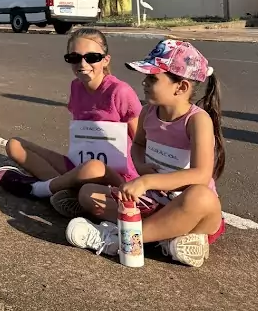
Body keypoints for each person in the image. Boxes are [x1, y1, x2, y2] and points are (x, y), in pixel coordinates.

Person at [66, 39, 226, 267]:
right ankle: (167, 240)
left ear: (181, 87)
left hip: (189, 208)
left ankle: (118, 239)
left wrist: (147, 180)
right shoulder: (149, 112)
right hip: (153, 201)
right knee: (88, 194)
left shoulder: (197, 120)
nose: (144, 83)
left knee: (201, 197)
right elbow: (138, 145)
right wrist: (141, 167)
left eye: (152, 78)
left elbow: (201, 175)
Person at [0, 28, 142, 219]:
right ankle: (63, 191)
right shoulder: (76, 86)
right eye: (75, 57)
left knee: (94, 166)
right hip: (78, 166)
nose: (82, 63)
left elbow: (140, 143)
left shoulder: (120, 91)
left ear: (105, 60)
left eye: (92, 57)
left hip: (116, 175)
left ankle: (37, 189)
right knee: (14, 145)